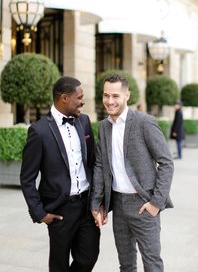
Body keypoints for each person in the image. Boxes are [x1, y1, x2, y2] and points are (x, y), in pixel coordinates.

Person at [91, 73, 174, 272]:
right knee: (126, 264)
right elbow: (101, 166)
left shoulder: (144, 122)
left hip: (143, 204)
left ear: (127, 95)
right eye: (106, 95)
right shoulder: (103, 127)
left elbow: (166, 162)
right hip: (118, 204)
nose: (109, 101)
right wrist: (97, 202)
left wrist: (156, 203)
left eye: (115, 96)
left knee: (152, 263)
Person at [20, 76, 100, 272]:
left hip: (86, 205)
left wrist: (99, 200)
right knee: (59, 264)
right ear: (64, 98)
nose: (83, 101)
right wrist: (39, 213)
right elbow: (27, 178)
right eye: (79, 97)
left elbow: (93, 162)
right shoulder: (39, 132)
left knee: (88, 258)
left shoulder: (84, 121)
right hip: (60, 210)